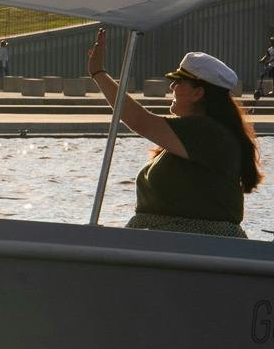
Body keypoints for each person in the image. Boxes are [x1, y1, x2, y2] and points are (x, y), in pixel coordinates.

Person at [87, 30, 260, 238]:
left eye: (179, 82)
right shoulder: (197, 131)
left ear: (198, 93)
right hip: (172, 243)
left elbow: (139, 120)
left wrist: (98, 74)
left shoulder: (205, 132)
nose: (172, 87)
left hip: (197, 245)